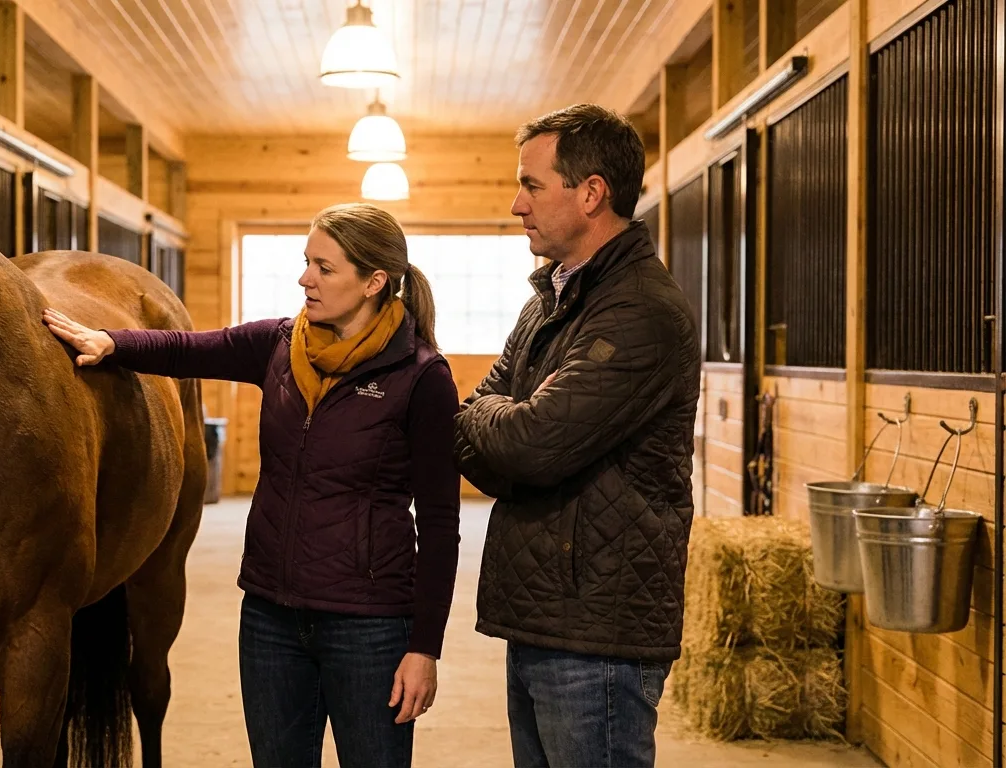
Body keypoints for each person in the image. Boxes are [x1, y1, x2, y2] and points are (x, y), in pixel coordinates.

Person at [42, 202, 461, 768]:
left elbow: (440, 523)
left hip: (369, 626)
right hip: (271, 617)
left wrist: (424, 648)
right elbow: (190, 349)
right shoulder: (281, 346)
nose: (304, 278)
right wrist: (112, 342)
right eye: (305, 262)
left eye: (324, 267)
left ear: (374, 282)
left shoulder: (422, 377)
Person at [452, 104, 701, 767]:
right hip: (544, 612)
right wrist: (499, 430)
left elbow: (530, 442)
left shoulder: (640, 310)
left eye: (532, 185)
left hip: (599, 631)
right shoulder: (548, 305)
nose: (515, 204)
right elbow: (492, 432)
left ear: (591, 192)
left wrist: (494, 426)